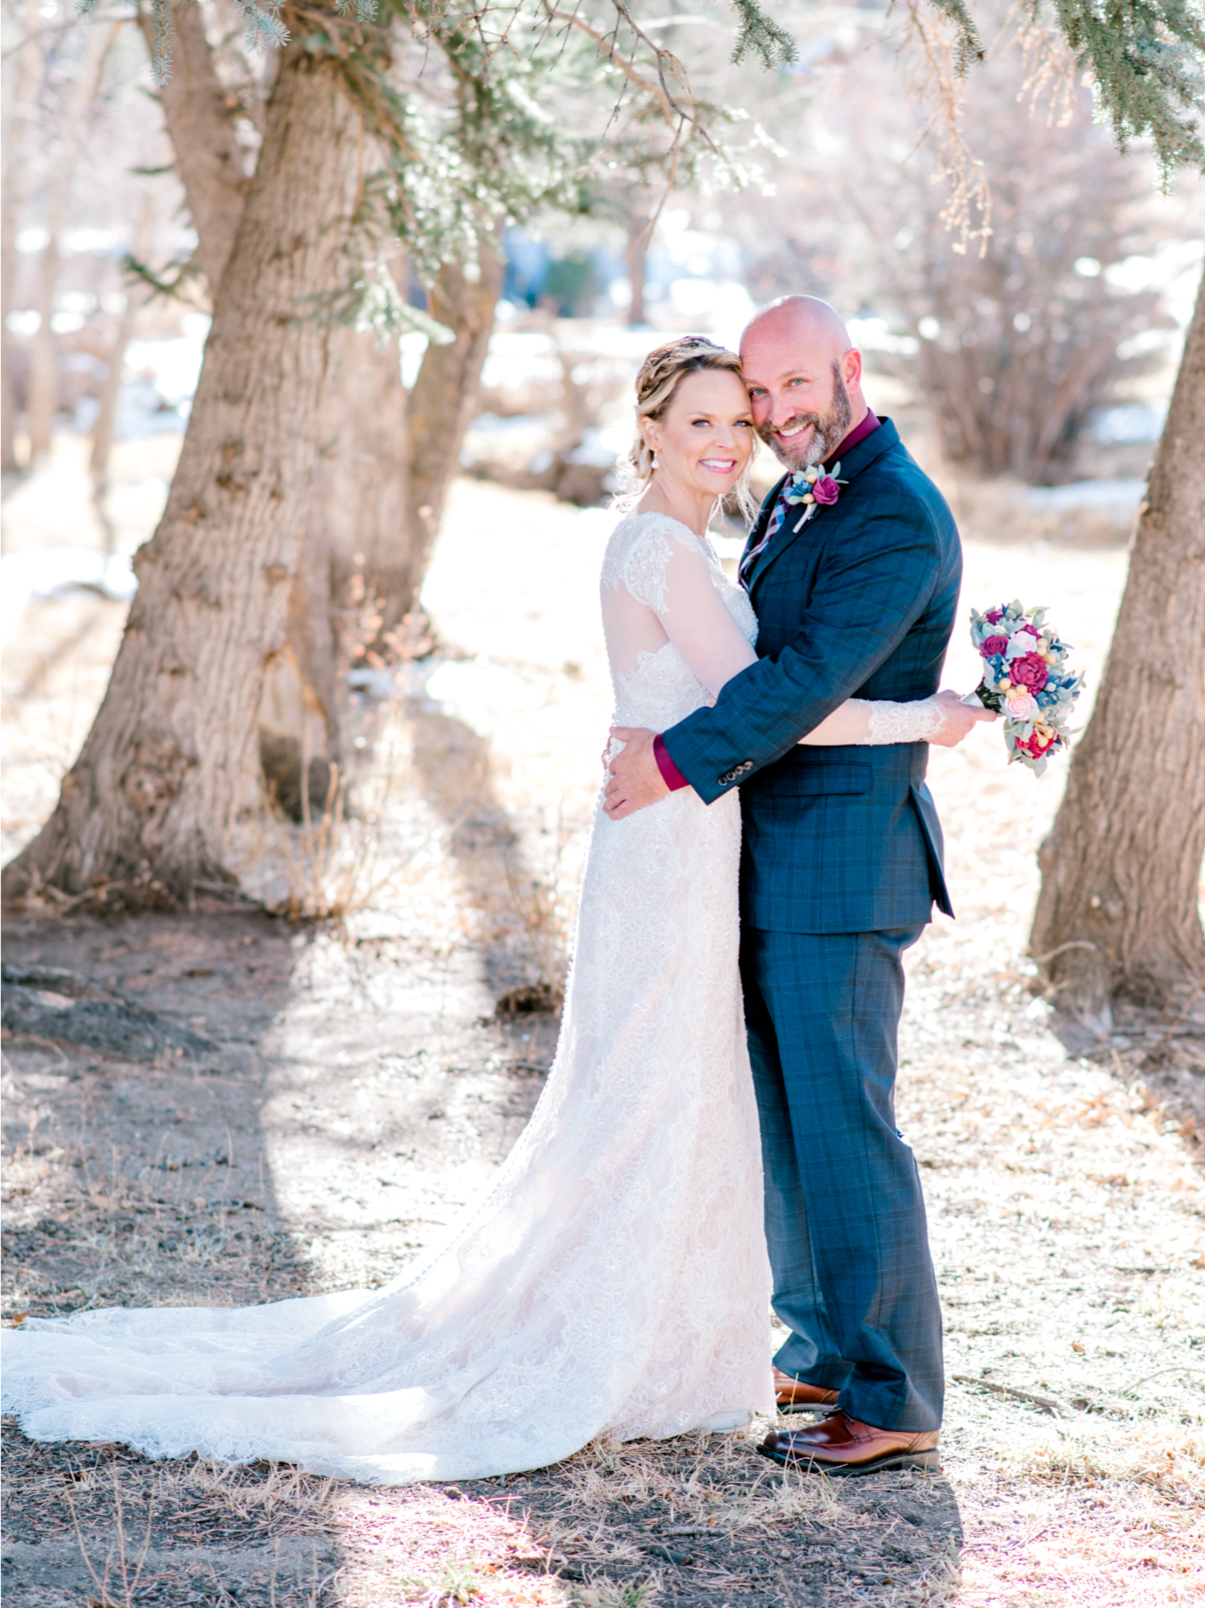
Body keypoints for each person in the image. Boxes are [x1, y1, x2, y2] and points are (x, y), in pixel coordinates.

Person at [2, 334, 981, 1486]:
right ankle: (763, 1347)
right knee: (681, 1095)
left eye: (759, 404)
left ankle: (879, 1386)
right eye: (721, 411)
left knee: (793, 1116)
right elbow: (774, 694)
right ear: (652, 432)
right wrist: (926, 717)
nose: (746, 429)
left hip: (759, 849)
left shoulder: (866, 509)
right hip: (683, 843)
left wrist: (730, 746)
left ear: (847, 368)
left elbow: (783, 691)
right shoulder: (697, 533)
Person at [605, 297, 990, 1479]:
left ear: (850, 369)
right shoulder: (799, 491)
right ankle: (819, 1350)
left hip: (842, 866)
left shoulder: (893, 513)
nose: (773, 415)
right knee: (786, 1128)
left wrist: (674, 761)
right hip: (762, 857)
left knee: (846, 1132)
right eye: (757, 395)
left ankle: (893, 1393)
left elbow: (805, 682)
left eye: (792, 388)